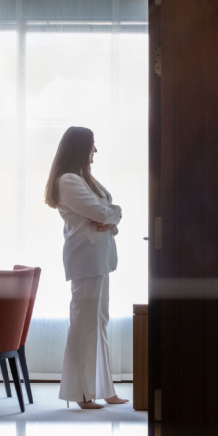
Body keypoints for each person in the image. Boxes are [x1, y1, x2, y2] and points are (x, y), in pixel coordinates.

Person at [44, 127, 130, 409]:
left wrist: (111, 218)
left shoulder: (84, 179)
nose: (95, 151)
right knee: (84, 325)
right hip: (86, 258)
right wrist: (112, 215)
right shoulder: (68, 180)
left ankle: (104, 389)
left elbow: (107, 216)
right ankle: (81, 393)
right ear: (79, 148)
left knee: (99, 322)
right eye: (92, 145)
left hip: (99, 257)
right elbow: (103, 212)